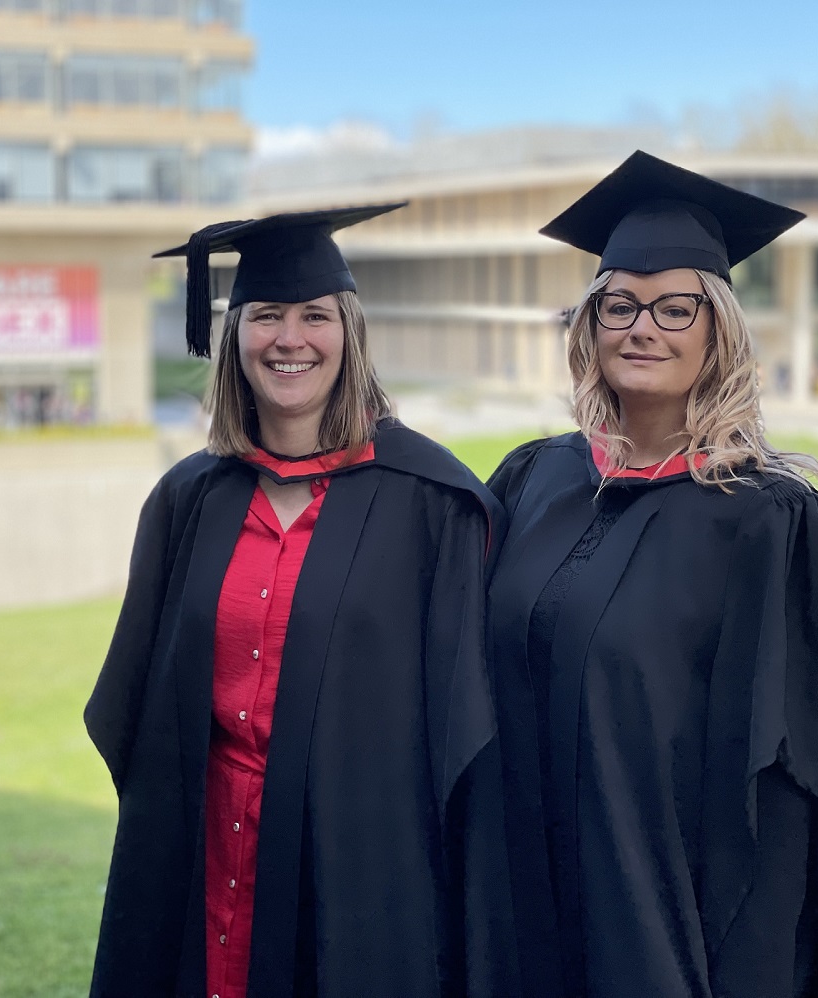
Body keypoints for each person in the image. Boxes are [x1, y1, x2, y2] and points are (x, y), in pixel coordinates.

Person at [486, 151, 818, 998]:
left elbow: (813, 773)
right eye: (619, 305)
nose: (642, 327)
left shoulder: (771, 522)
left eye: (675, 308)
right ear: (589, 323)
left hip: (669, 924)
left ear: (717, 328)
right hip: (515, 905)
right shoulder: (532, 480)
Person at [84, 203, 517, 998]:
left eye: (315, 315)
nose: (290, 339)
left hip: (354, 882)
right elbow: (133, 706)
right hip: (203, 858)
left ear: (349, 332)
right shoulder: (188, 500)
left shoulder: (433, 504)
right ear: (234, 335)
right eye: (266, 316)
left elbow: (463, 734)